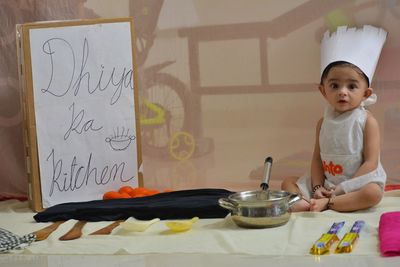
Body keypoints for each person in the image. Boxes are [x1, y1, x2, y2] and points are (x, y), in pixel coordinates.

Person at [281, 25, 387, 212]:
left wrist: (341, 190)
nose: (342, 92)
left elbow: (371, 163)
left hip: (355, 185)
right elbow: (316, 160)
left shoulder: (367, 122)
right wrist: (316, 187)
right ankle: (312, 202)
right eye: (334, 85)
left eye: (352, 86)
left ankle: (328, 204)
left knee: (373, 193)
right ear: (323, 91)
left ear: (365, 93)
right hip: (327, 183)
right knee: (287, 181)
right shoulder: (322, 123)